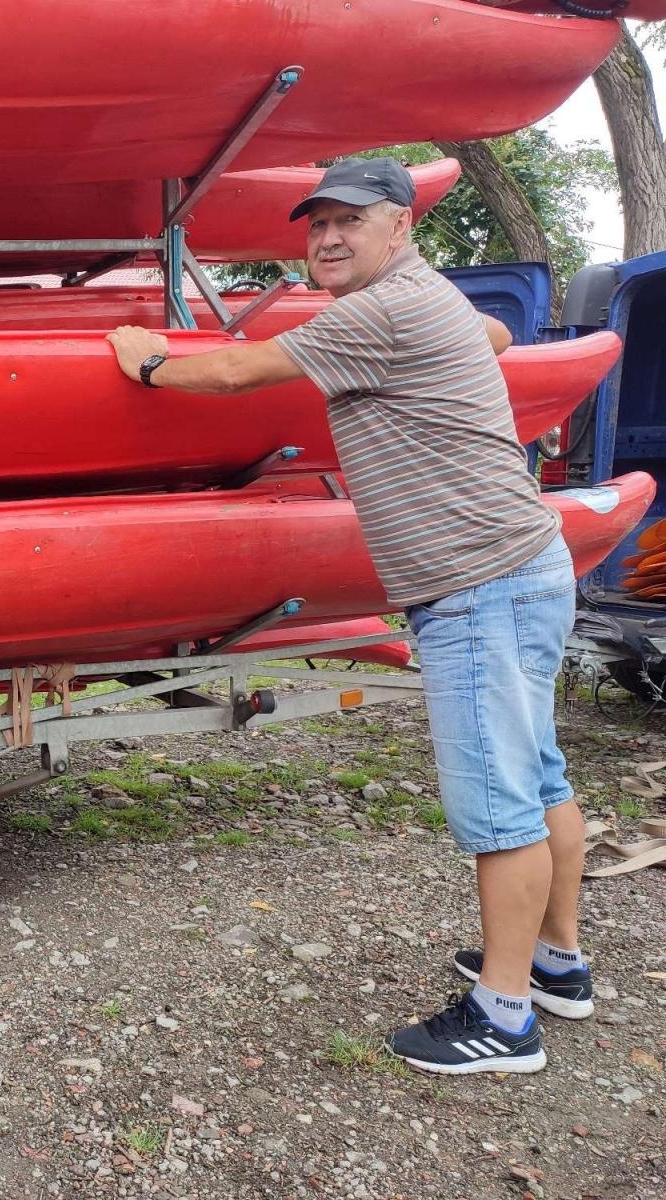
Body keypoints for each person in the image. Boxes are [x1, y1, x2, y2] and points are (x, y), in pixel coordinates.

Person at [107, 157, 590, 1076]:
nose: (327, 238)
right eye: (316, 223)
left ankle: (505, 1017)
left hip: (479, 585)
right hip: (524, 568)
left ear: (401, 227)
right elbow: (488, 330)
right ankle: (557, 965)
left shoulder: (381, 310)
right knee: (539, 776)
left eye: (350, 222)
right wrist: (473, 340)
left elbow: (246, 368)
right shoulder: (429, 297)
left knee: (498, 805)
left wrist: (154, 362)